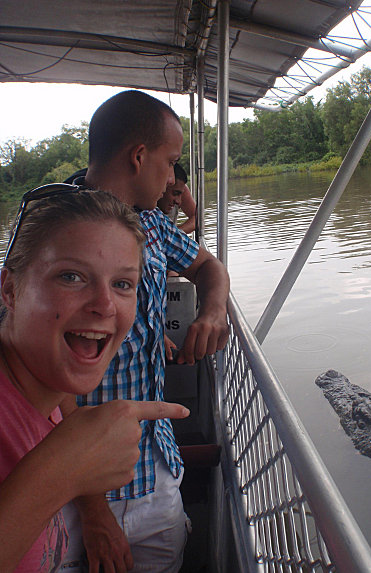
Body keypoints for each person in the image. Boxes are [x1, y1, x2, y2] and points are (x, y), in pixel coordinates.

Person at [61, 90, 230, 573]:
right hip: (77, 486)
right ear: (139, 156)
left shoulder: (153, 224)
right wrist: (92, 509)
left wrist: (212, 312)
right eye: (171, 162)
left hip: (156, 463)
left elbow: (208, 267)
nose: (175, 178)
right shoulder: (57, 230)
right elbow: (42, 370)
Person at [0, 185, 189, 573]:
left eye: (122, 284)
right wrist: (60, 469)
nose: (105, 306)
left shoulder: (45, 400)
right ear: (9, 290)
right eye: (71, 276)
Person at [157, 163, 196, 234]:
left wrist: (173, 233)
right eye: (175, 193)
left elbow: (196, 218)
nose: (179, 202)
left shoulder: (181, 188)